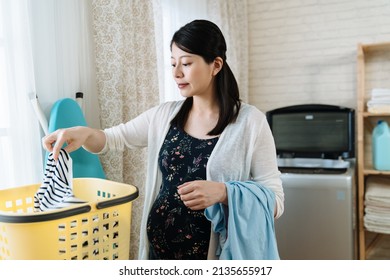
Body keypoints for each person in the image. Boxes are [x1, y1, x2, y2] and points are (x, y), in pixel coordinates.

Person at [42, 19, 284, 260]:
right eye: (173, 64)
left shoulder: (250, 122)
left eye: (187, 63)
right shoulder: (164, 115)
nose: (177, 73)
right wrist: (83, 133)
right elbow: (112, 139)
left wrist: (224, 192)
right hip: (159, 255)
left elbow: (275, 200)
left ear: (216, 65)